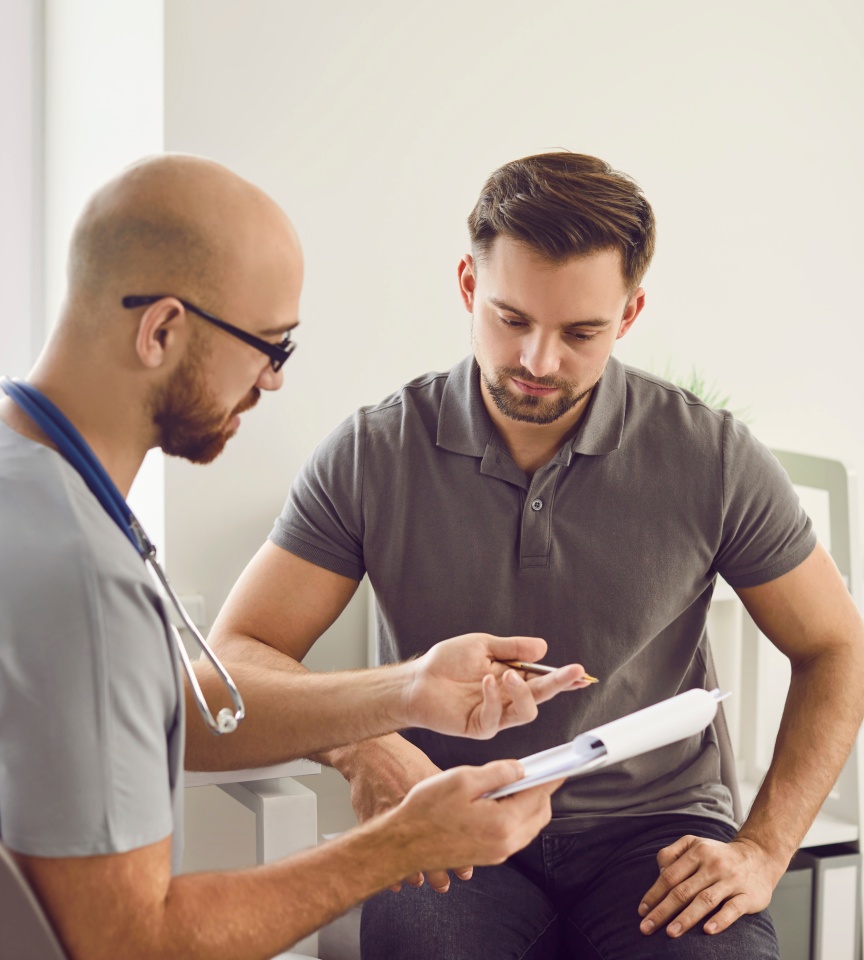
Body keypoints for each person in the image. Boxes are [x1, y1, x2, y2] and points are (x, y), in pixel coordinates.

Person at [0, 154, 592, 960]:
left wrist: (407, 692)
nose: (271, 382)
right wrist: (400, 846)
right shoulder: (80, 585)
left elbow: (154, 713)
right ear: (161, 328)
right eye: (271, 346)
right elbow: (131, 945)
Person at [208, 151, 864, 959]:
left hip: (654, 834)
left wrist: (764, 850)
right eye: (511, 319)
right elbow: (239, 655)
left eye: (581, 332)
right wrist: (362, 746)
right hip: (451, 822)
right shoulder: (373, 453)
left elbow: (836, 646)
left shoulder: (711, 455)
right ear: (466, 287)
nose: (538, 362)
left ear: (628, 315)